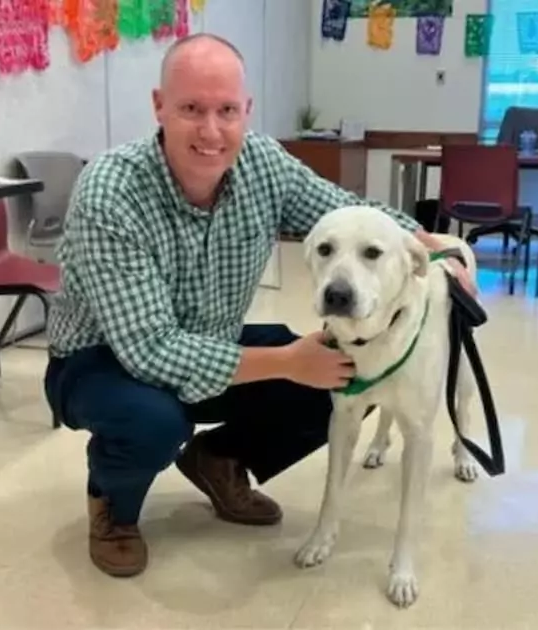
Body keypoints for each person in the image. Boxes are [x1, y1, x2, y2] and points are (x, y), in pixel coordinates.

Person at [42, 33, 476, 578]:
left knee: (341, 379)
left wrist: (428, 243)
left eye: (226, 110)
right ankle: (112, 506)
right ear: (159, 107)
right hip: (100, 362)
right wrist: (290, 362)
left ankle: (219, 460)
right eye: (191, 109)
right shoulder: (110, 191)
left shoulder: (262, 165)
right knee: (155, 419)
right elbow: (149, 351)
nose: (210, 130)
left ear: (246, 110)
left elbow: (346, 210)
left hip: (211, 343)